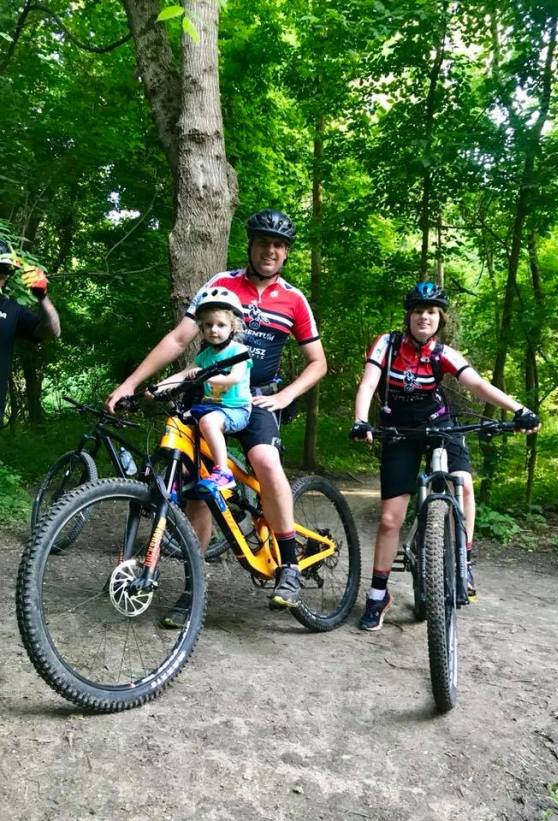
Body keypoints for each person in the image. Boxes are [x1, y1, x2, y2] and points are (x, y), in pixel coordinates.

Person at [106, 209, 327, 614]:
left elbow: (318, 361)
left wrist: (285, 396)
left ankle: (289, 564)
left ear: (287, 252)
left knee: (265, 460)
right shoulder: (222, 284)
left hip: (255, 399)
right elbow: (178, 338)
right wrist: (131, 383)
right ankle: (193, 591)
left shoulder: (294, 299)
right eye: (263, 243)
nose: (270, 251)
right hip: (207, 396)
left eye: (278, 245)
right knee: (198, 491)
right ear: (251, 245)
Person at [350, 281, 540, 632]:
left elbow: (479, 385)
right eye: (419, 311)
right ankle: (378, 595)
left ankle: (464, 560)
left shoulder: (443, 354)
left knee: (464, 485)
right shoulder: (387, 345)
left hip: (440, 424)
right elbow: (368, 384)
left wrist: (520, 409)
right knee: (391, 519)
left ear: (440, 319)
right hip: (399, 432)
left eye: (432, 312)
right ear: (408, 316)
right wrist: (361, 421)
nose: (425, 317)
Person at [154, 287, 252, 491]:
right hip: (210, 407)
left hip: (236, 409)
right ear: (201, 328)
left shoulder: (239, 351)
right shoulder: (205, 356)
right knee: (178, 423)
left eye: (221, 325)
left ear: (232, 327)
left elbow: (234, 378)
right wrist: (158, 387)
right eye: (208, 325)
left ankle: (224, 473)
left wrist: (205, 375)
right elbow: (181, 375)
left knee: (207, 422)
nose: (214, 330)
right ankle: (180, 475)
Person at [0, 239, 61, 419]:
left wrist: (42, 297)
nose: (3, 276)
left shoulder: (10, 309)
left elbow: (53, 331)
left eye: (6, 270)